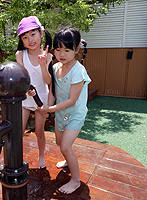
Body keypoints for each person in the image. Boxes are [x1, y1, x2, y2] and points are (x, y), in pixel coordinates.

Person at [38, 27, 91, 194]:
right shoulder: (55, 67)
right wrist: (48, 107)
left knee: (65, 147)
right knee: (60, 143)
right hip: (61, 112)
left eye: (67, 50)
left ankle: (75, 181)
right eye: (58, 49)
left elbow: (71, 100)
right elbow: (52, 90)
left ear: (76, 50)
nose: (62, 54)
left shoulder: (78, 71)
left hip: (75, 113)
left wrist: (50, 108)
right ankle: (68, 160)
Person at [15, 16, 53, 169]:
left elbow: (48, 82)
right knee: (19, 130)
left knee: (39, 131)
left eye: (33, 34)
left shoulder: (49, 56)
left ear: (41, 33)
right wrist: (27, 89)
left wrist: (43, 64)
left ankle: (41, 156)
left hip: (40, 100)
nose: (30, 39)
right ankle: (16, 158)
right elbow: (21, 78)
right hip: (25, 99)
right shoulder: (20, 55)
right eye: (25, 36)